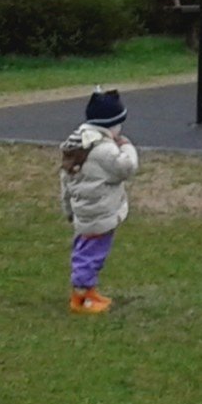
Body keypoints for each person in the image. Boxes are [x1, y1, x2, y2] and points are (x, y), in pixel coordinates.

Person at [59, 88, 137, 315]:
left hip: (84, 210)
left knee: (87, 249)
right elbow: (126, 168)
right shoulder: (104, 150)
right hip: (99, 212)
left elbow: (65, 182)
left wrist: (68, 208)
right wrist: (127, 147)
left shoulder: (76, 145)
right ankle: (81, 298)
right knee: (90, 254)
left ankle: (89, 291)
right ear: (110, 125)